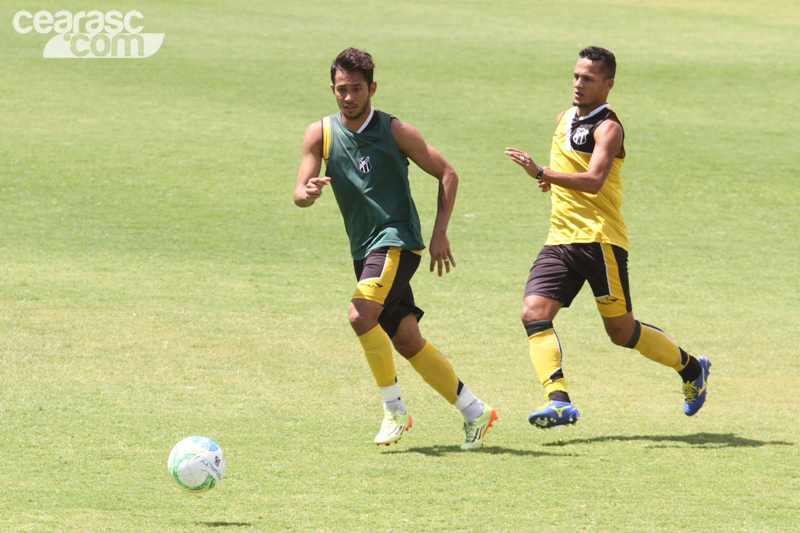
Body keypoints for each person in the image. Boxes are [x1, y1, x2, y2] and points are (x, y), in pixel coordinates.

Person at [294, 48, 497, 449]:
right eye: (341, 89)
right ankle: (476, 412)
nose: (348, 97)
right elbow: (299, 191)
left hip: (396, 241)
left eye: (356, 89)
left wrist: (440, 233)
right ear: (332, 89)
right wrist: (309, 191)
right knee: (407, 340)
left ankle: (394, 409)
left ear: (372, 88)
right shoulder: (320, 133)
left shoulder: (394, 130)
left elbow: (447, 173)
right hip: (364, 250)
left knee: (359, 315)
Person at [504, 46, 711, 428]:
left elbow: (595, 180)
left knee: (621, 332)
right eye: (576, 76)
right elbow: (573, 167)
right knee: (533, 313)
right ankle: (559, 400)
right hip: (561, 239)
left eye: (589, 79)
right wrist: (554, 183)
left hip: (600, 241)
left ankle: (691, 367)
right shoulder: (564, 117)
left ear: (608, 84)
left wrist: (542, 174)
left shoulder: (609, 127)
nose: (579, 84)